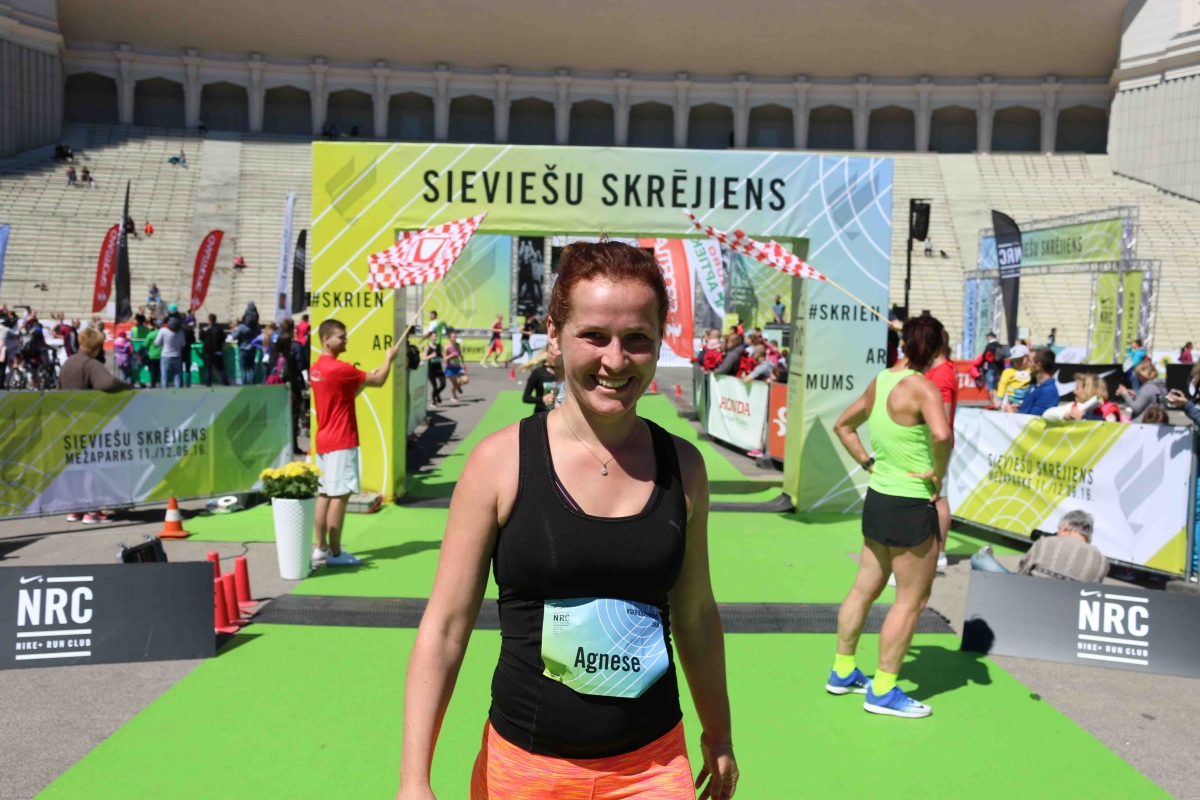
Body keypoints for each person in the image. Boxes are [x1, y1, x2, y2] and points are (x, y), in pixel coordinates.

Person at [399, 241, 737, 800]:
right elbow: (446, 626)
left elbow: (696, 613)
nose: (615, 360)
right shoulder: (499, 463)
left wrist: (718, 733)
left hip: (654, 767)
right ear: (555, 336)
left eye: (637, 339)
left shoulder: (685, 468)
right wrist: (414, 781)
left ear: (659, 342)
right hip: (526, 771)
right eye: (594, 335)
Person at [830, 315, 951, 719]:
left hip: (879, 498)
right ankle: (882, 690)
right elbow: (942, 435)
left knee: (864, 588)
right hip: (911, 503)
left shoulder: (880, 381)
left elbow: (843, 426)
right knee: (910, 600)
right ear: (934, 348)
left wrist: (868, 463)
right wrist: (938, 473)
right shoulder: (924, 388)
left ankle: (842, 671)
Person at [310, 320, 399, 567]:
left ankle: (321, 548)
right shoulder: (340, 369)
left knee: (324, 494)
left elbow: (343, 395)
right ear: (326, 339)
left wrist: (360, 383)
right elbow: (379, 379)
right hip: (341, 439)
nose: (346, 340)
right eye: (341, 336)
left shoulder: (317, 368)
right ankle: (335, 553)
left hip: (324, 439)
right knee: (339, 496)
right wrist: (389, 358)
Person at [970, 510, 1108, 583]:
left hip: (1028, 600)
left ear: (1065, 527)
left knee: (979, 558)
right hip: (1070, 614)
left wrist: (1042, 547)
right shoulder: (1102, 562)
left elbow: (1021, 573)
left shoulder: (1046, 543)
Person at [923, 325, 957, 572]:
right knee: (935, 495)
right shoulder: (937, 370)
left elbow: (942, 419)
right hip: (930, 443)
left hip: (937, 445)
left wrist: (937, 444)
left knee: (940, 497)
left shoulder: (943, 373)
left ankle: (940, 552)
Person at [266, 318, 308, 454]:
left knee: (279, 416)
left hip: (278, 385)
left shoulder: (276, 344)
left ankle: (278, 444)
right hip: (293, 385)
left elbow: (270, 363)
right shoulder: (295, 346)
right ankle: (293, 446)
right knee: (294, 416)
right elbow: (301, 365)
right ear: (292, 328)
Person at [1015, 349, 1059, 416]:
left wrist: (1011, 415)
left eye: (1030, 361)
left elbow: (1034, 419)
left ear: (1038, 365)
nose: (1027, 364)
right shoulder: (1035, 384)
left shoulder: (1048, 391)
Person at [155, 309, 187, 389]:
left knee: (164, 376)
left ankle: (164, 391)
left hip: (166, 355)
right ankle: (177, 392)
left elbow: (157, 342)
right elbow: (183, 344)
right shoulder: (180, 332)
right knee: (177, 376)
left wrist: (164, 343)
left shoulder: (163, 330)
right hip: (177, 355)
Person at [996, 343, 1031, 411]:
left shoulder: (1031, 370)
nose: (1018, 362)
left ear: (1027, 358)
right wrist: (999, 399)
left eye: (1021, 359)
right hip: (1012, 399)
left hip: (1027, 399)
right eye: (1015, 360)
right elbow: (1002, 385)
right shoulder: (1008, 371)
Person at [520, 350, 558, 414]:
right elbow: (526, 398)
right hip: (541, 413)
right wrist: (543, 399)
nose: (555, 357)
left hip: (559, 415)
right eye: (552, 354)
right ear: (547, 354)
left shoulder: (565, 373)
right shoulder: (538, 373)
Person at [200, 314, 229, 386]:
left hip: (207, 351)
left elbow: (201, 338)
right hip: (217, 351)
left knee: (208, 368)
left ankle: (208, 384)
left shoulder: (205, 329)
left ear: (209, 319)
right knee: (220, 368)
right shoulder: (219, 329)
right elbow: (223, 339)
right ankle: (225, 383)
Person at [443, 329, 467, 403]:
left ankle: (458, 386)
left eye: (455, 337)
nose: (454, 338)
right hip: (450, 368)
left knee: (465, 380)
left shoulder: (457, 345)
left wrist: (463, 365)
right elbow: (444, 359)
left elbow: (460, 355)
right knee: (454, 384)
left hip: (458, 367)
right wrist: (451, 356)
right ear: (449, 338)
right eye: (452, 337)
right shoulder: (447, 347)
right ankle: (454, 397)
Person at [420, 339, 445, 407]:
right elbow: (423, 358)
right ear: (430, 338)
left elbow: (442, 355)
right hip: (431, 369)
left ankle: (436, 394)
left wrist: (443, 358)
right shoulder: (427, 347)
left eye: (436, 336)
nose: (434, 338)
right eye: (433, 336)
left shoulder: (439, 346)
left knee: (443, 384)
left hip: (439, 368)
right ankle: (433, 401)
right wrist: (431, 356)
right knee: (435, 386)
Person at [981, 332, 1003, 404]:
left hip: (990, 367)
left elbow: (984, 357)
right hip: (998, 368)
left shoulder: (989, 346)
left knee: (990, 386)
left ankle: (992, 402)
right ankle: (996, 401)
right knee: (995, 385)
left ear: (990, 336)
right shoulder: (999, 345)